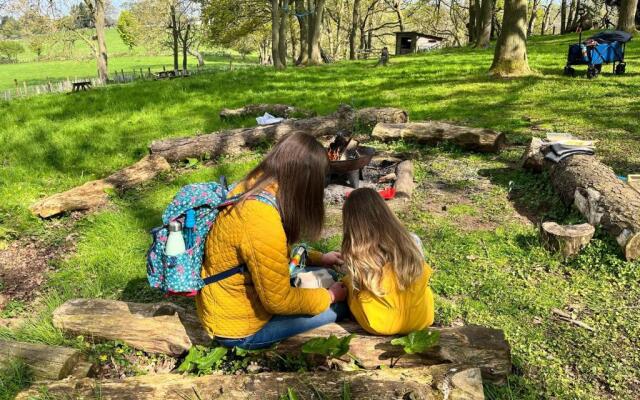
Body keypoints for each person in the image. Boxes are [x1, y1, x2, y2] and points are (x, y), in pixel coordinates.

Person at [196, 132, 347, 350]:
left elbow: (270, 253)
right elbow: (278, 301)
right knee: (342, 306)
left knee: (330, 275)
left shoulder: (255, 184)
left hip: (226, 301)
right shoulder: (261, 221)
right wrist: (330, 297)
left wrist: (319, 258)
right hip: (240, 329)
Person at [340, 188, 434, 335]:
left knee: (347, 284)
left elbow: (357, 284)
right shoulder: (412, 240)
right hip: (421, 318)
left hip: (379, 324)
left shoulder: (356, 253)